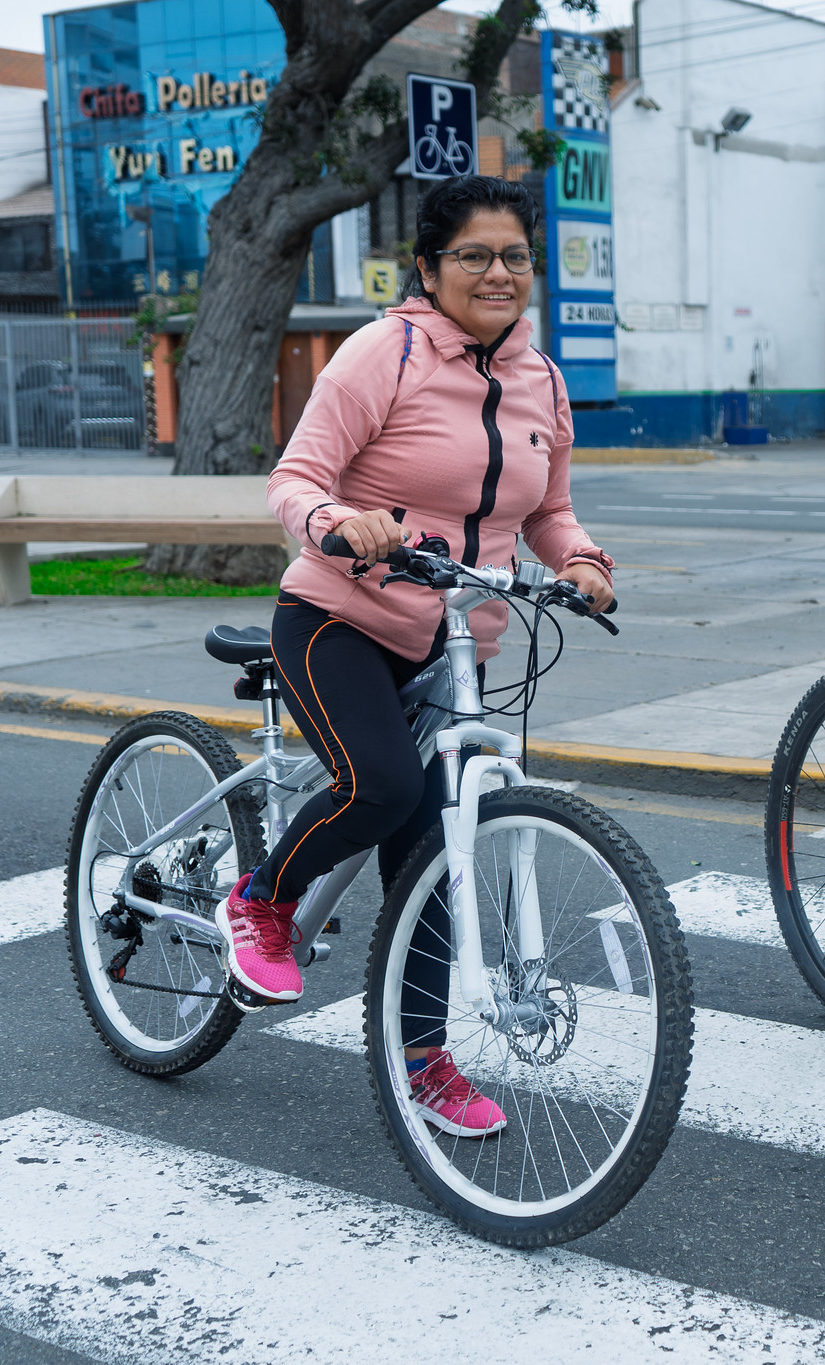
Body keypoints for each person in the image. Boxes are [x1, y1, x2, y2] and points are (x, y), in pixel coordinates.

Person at [216, 174, 616, 1138]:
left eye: (514, 256)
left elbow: (549, 510)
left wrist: (583, 560)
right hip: (340, 617)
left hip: (457, 648)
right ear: (430, 270)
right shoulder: (383, 352)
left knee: (437, 851)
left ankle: (422, 1061)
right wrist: (337, 520)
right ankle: (262, 899)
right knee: (383, 787)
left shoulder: (542, 379)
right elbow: (295, 477)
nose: (497, 272)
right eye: (474, 255)